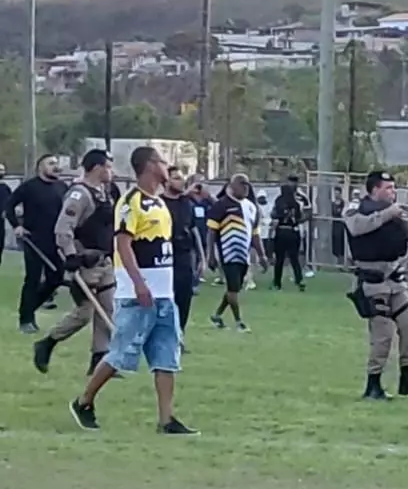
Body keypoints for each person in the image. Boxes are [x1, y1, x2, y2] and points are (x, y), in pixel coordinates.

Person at [68, 146, 195, 435]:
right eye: (163, 162)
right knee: (121, 353)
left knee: (166, 356)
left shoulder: (160, 203)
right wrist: (139, 283)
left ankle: (166, 419)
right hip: (139, 293)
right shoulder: (130, 202)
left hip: (164, 294)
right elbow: (123, 244)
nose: (168, 168)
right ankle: (84, 401)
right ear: (150, 165)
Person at [342, 170, 408, 401]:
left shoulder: (396, 214)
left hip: (396, 278)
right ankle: (373, 385)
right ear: (374, 190)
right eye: (388, 188)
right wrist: (388, 214)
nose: (393, 193)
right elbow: (357, 227)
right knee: (382, 336)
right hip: (373, 281)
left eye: (394, 188)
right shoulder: (355, 208)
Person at [33, 149, 117, 376]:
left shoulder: (104, 193)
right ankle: (47, 343)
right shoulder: (79, 194)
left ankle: (99, 360)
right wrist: (71, 256)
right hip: (85, 262)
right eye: (108, 166)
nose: (111, 171)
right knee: (84, 313)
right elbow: (63, 228)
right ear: (97, 167)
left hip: (104, 261)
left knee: (107, 310)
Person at [8, 155, 69, 334]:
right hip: (34, 240)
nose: (55, 167)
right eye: (51, 164)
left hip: (55, 241)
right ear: (40, 167)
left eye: (56, 164)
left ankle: (28, 309)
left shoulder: (62, 187)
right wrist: (17, 226)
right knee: (33, 279)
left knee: (56, 278)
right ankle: (26, 320)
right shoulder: (29, 187)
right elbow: (9, 206)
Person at [206, 174, 266, 332]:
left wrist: (262, 255)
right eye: (242, 184)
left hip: (243, 255)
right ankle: (239, 322)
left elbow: (255, 234)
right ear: (232, 186)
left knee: (235, 288)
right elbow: (211, 232)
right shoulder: (221, 205)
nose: (245, 187)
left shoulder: (252, 207)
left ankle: (217, 315)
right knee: (233, 288)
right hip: (227, 254)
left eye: (247, 184)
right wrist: (210, 255)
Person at [160, 170, 202, 334]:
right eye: (176, 178)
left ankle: (180, 333)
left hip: (185, 255)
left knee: (184, 296)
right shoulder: (159, 203)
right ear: (167, 181)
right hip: (165, 254)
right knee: (166, 297)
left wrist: (202, 257)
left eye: (182, 178)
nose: (181, 181)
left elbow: (193, 230)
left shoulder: (187, 203)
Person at [269, 178, 308, 291]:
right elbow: (299, 217)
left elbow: (275, 215)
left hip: (281, 231)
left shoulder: (279, 201)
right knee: (294, 258)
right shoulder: (295, 204)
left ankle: (277, 283)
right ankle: (299, 279)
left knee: (279, 259)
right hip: (293, 231)